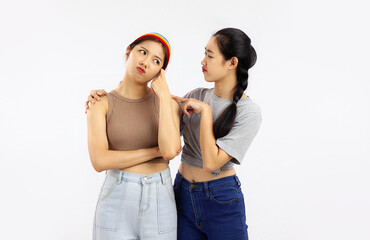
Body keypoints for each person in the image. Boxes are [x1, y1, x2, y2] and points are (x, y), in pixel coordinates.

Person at [86, 28, 262, 240]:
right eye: (204, 53)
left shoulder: (247, 111)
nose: (203, 61)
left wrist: (202, 111)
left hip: (220, 197)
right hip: (183, 192)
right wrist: (105, 96)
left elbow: (209, 162)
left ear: (231, 63)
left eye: (209, 55)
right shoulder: (194, 96)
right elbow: (144, 126)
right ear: (128, 52)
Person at [86, 33, 180, 240]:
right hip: (116, 198)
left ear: (160, 72)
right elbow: (100, 161)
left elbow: (171, 150)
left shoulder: (168, 104)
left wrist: (163, 95)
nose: (146, 62)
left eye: (156, 61)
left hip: (160, 199)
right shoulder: (100, 103)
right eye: (143, 52)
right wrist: (155, 151)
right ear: (128, 52)